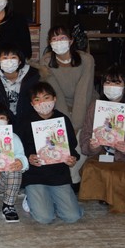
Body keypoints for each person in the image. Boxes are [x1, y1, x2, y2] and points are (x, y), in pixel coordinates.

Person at [78, 66, 125, 214]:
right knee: (89, 169)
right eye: (107, 82)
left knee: (115, 176)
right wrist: (93, 146)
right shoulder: (95, 108)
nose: (111, 86)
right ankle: (107, 193)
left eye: (117, 83)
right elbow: (85, 136)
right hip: (104, 156)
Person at [18, 82, 83, 224]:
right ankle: (31, 198)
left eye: (46, 98)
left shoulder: (63, 120)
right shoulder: (24, 121)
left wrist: (72, 158)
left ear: (54, 99)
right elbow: (18, 148)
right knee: (44, 218)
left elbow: (71, 146)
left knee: (72, 216)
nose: (42, 103)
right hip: (35, 175)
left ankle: (50, 199)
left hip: (59, 174)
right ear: (32, 103)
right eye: (37, 99)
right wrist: (28, 157)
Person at [40, 25, 97, 188]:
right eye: (54, 39)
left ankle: (73, 178)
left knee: (80, 138)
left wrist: (75, 125)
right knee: (58, 136)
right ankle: (64, 175)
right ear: (49, 43)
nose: (59, 42)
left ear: (71, 41)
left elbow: (83, 93)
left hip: (86, 105)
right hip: (59, 107)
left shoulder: (86, 60)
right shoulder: (46, 61)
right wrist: (65, 123)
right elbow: (55, 93)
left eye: (63, 38)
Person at [0, 42, 41, 130]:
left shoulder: (33, 76)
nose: (9, 61)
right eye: (5, 58)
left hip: (28, 122)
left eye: (13, 57)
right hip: (2, 123)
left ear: (20, 61)